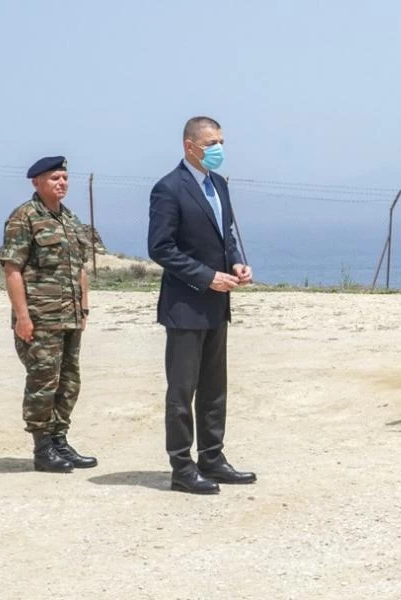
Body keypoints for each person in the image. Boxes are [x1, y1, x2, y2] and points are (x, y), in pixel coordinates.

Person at [148, 116, 256, 494]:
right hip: (185, 306)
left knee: (214, 388)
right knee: (182, 391)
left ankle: (212, 457)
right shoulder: (168, 188)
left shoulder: (219, 184)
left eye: (221, 142)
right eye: (211, 143)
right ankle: (182, 467)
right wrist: (207, 276)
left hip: (217, 305)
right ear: (189, 146)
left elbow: (226, 235)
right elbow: (161, 248)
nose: (218, 149)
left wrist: (236, 263)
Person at [0, 156, 96, 473]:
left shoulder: (70, 218)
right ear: (37, 182)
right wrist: (23, 317)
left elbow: (80, 267)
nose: (61, 183)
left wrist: (84, 307)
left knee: (69, 382)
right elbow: (12, 269)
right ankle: (42, 449)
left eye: (64, 177)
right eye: (54, 178)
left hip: (70, 316)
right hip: (41, 318)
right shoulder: (23, 217)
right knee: (43, 382)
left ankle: (59, 442)